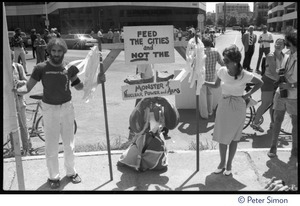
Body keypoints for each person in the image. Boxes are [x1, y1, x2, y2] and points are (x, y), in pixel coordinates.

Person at [15, 37, 106, 189]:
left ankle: (71, 172)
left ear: (64, 52)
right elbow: (27, 88)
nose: (56, 54)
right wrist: (16, 90)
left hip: (67, 108)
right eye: (53, 51)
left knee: (69, 144)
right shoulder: (40, 68)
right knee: (51, 146)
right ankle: (53, 177)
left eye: (59, 51)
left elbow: (80, 87)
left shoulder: (69, 68)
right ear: (49, 51)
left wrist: (97, 80)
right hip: (49, 109)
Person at [204, 45, 263, 176]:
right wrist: (203, 82)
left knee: (235, 138)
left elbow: (260, 83)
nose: (224, 62)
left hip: (238, 106)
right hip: (224, 105)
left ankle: (229, 164)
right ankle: (221, 163)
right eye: (224, 59)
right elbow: (216, 85)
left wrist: (247, 96)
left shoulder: (245, 74)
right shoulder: (222, 71)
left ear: (235, 61)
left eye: (226, 60)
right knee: (222, 136)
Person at [268, 30, 297, 158]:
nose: (286, 46)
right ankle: (273, 147)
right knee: (277, 120)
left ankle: (294, 150)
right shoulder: (287, 55)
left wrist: (290, 85)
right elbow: (284, 71)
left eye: (288, 44)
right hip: (281, 93)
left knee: (295, 124)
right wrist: (280, 73)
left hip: (294, 97)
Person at [250, 38, 286, 133]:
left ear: (284, 46)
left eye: (281, 44)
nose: (279, 45)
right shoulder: (270, 56)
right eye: (277, 43)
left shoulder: (283, 56)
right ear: (274, 45)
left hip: (276, 82)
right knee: (266, 103)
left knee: (274, 105)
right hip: (268, 81)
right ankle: (255, 122)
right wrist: (284, 81)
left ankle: (273, 124)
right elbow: (274, 72)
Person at [11, 50, 31, 155]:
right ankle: (15, 150)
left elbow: (26, 81)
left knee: (23, 125)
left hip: (19, 99)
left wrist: (18, 83)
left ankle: (26, 148)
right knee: (12, 126)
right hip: (9, 101)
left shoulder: (18, 67)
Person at [201, 36, 225, 117]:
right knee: (210, 94)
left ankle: (204, 114)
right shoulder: (216, 51)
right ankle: (210, 111)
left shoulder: (200, 52)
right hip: (211, 76)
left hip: (201, 76)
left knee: (202, 95)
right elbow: (222, 64)